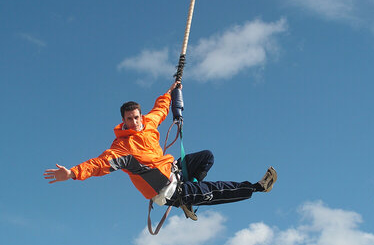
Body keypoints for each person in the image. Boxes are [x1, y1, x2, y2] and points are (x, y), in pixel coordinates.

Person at [44, 82, 277, 221]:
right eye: (129, 119)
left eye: (136, 117)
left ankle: (192, 189)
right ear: (123, 121)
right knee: (216, 190)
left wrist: (173, 89)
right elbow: (98, 164)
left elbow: (161, 108)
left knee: (207, 156)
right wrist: (73, 173)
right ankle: (257, 187)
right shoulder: (122, 148)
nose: (135, 122)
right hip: (170, 191)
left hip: (175, 171)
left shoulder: (148, 123)